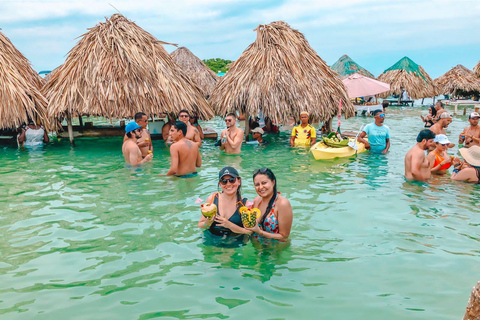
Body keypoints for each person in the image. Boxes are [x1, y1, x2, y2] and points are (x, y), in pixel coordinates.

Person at [198, 167, 251, 243]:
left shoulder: (245, 204)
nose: (228, 184)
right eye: (224, 181)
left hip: (234, 243)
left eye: (232, 180)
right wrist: (207, 223)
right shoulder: (212, 199)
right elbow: (200, 224)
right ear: (220, 184)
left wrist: (230, 225)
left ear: (239, 181)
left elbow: (249, 231)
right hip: (211, 241)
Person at [247, 168, 293, 242]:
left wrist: (260, 232)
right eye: (257, 184)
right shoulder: (257, 201)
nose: (261, 187)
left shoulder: (282, 204)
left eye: (264, 183)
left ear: (273, 182)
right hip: (257, 248)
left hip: (275, 250)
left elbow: (284, 236)